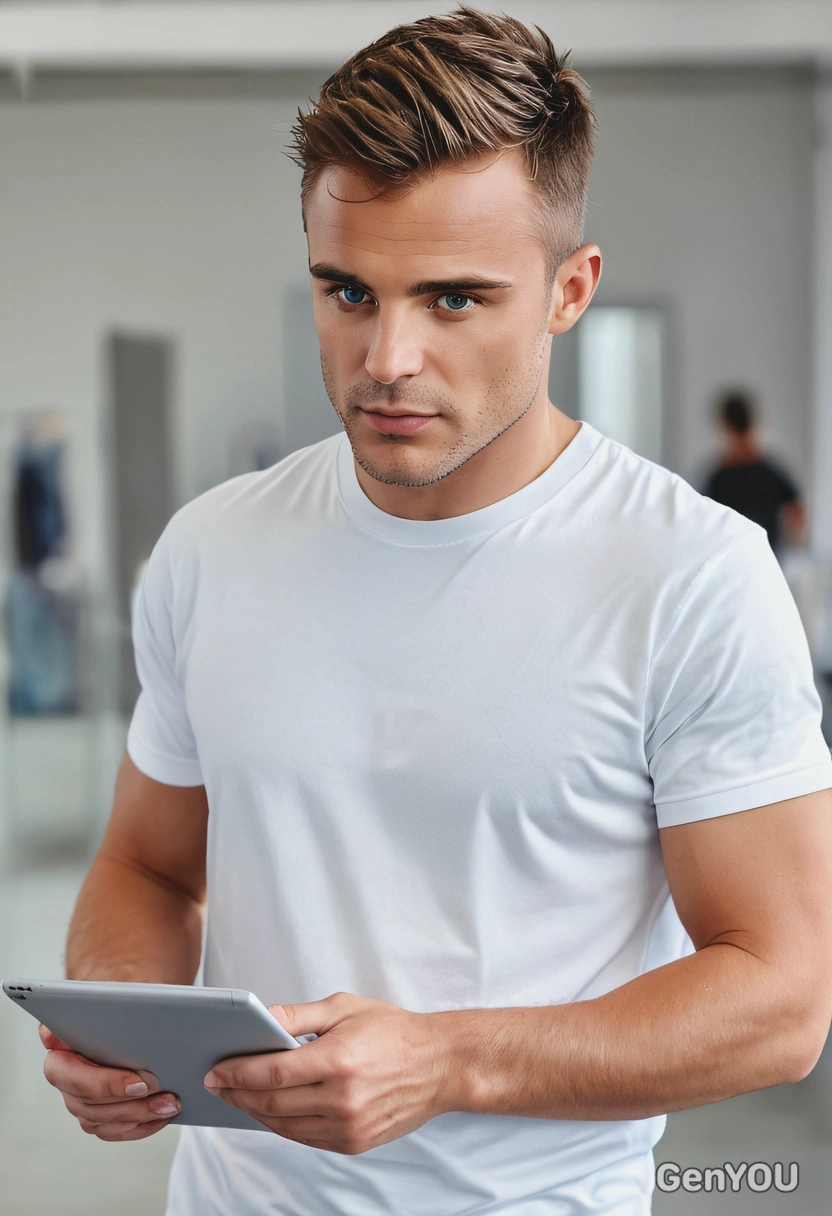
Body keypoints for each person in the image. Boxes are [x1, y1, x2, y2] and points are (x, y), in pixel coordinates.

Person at [40, 8, 832, 1215]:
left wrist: (450, 1059)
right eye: (347, 291)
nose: (386, 357)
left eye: (454, 300)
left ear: (570, 290)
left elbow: (780, 999)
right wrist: (126, 1026)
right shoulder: (212, 550)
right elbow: (147, 867)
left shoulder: (692, 578)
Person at [703, 389, 807, 557]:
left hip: (733, 562)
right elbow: (798, 515)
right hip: (767, 561)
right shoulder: (772, 473)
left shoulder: (719, 477)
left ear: (726, 424)